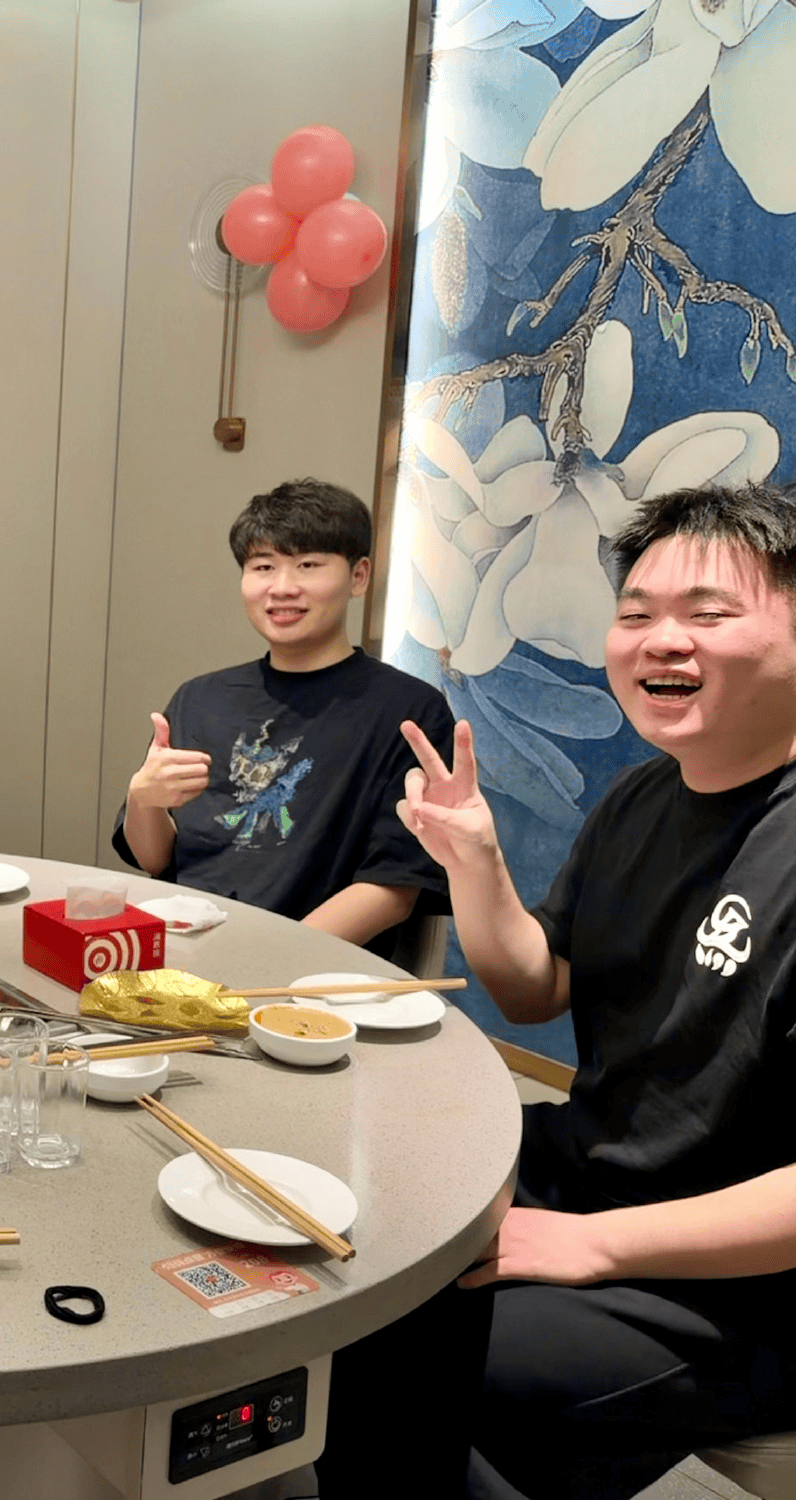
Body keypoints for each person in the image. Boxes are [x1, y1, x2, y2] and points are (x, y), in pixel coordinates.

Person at [321, 481, 796, 1499]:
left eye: (707, 613)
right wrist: (475, 861)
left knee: (403, 1350)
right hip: (589, 1171)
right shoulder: (641, 795)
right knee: (344, 1217)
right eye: (636, 613)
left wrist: (590, 1245)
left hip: (742, 1289)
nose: (660, 640)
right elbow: (534, 989)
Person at [112, 478, 452, 964]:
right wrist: (142, 799)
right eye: (263, 566)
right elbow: (155, 859)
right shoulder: (201, 698)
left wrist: (264, 961)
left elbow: (393, 889)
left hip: (310, 973)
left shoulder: (408, 711)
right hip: (180, 956)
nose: (282, 587)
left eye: (308, 565)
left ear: (359, 577)